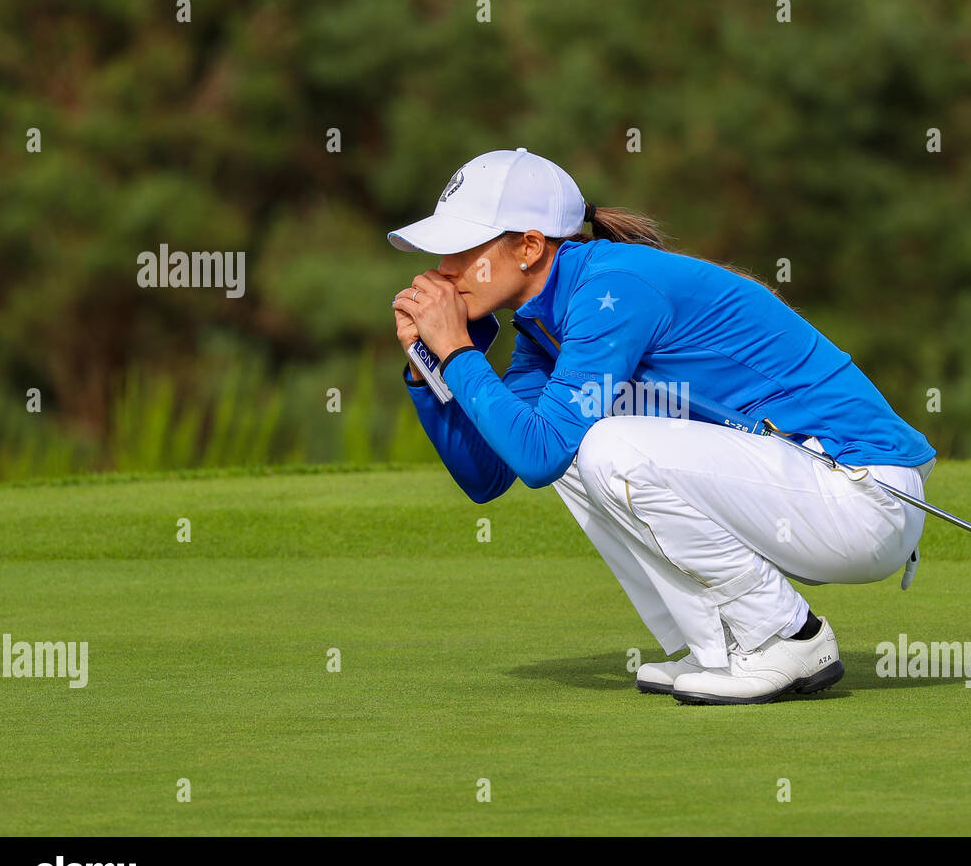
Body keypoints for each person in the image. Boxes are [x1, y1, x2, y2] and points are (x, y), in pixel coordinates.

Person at [389, 148, 936, 705]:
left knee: (600, 444)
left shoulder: (616, 288)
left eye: (461, 249)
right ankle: (720, 646)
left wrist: (458, 351)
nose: (443, 271)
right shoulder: (544, 327)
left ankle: (784, 636)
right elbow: (491, 474)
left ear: (529, 247)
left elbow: (538, 454)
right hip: (803, 494)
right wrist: (425, 365)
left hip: (861, 493)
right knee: (573, 444)